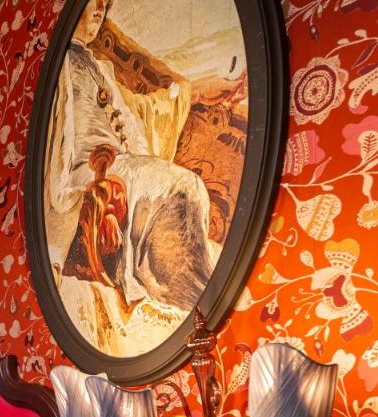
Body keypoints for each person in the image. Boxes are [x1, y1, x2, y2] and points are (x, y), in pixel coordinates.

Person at [44, 0, 244, 313]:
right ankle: (181, 286)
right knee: (179, 186)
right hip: (87, 171)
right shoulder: (59, 69)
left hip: (120, 163)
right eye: (94, 1)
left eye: (104, 4)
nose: (99, 9)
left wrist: (196, 92)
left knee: (188, 187)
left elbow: (138, 110)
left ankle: (196, 285)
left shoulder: (99, 67)